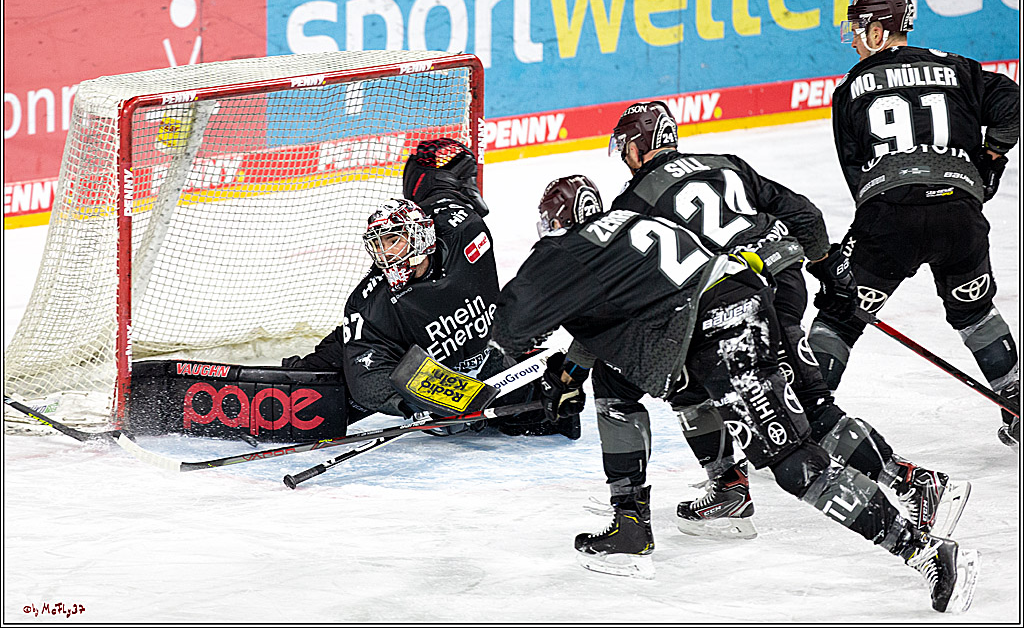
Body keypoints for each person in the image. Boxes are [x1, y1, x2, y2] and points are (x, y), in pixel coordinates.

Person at [490, 175, 979, 612]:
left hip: (726, 327)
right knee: (628, 386)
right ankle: (643, 519)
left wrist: (480, 382)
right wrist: (570, 370)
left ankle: (924, 551)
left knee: (795, 462)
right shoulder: (628, 224)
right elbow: (619, 318)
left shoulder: (565, 252)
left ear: (553, 224)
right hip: (742, 303)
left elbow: (509, 326)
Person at [604, 101, 970, 539]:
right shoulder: (724, 164)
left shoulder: (633, 203)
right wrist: (829, 269)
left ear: (640, 145)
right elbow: (805, 217)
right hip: (783, 278)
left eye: (625, 146)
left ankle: (910, 482)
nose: (624, 157)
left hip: (740, 299)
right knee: (769, 394)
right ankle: (731, 483)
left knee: (760, 396)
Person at [805, 0, 1020, 449]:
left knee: (841, 315)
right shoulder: (959, 68)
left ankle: (806, 422)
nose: (855, 41)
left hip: (889, 218)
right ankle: (1016, 397)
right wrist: (990, 157)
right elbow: (1011, 104)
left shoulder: (849, 89)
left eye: (860, 31)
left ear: (880, 31)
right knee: (975, 312)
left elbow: (856, 171)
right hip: (960, 216)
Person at [284, 138, 579, 439]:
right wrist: (416, 407)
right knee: (335, 364)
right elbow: (367, 377)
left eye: (393, 240)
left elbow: (447, 193)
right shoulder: (368, 303)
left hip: (489, 364)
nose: (385, 255)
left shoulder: (464, 228)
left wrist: (433, 171)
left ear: (422, 237)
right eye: (378, 244)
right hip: (408, 358)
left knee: (554, 411)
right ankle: (286, 389)